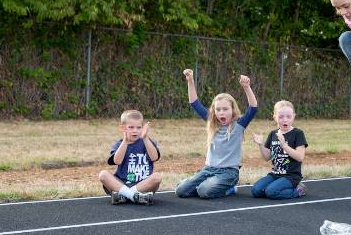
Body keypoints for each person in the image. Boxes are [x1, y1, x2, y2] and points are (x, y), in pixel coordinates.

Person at [175, 70, 258, 199]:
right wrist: (190, 81)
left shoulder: (239, 124)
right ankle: (204, 183)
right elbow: (194, 103)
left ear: (232, 110)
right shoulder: (212, 123)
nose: (221, 113)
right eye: (218, 110)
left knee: (203, 191)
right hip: (209, 169)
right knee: (181, 191)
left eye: (225, 109)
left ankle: (229, 188)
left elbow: (253, 108)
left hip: (229, 172)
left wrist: (246, 87)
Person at [98, 110, 161, 205]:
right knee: (103, 175)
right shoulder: (119, 144)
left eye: (139, 127)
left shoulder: (147, 142)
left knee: (157, 177)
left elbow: (154, 158)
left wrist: (145, 138)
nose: (135, 130)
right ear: (123, 128)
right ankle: (134, 196)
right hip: (121, 185)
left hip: (143, 185)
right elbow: (117, 161)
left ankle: (125, 196)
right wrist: (125, 142)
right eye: (131, 127)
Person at [251, 100, 308, 200]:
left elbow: (300, 157)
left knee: (271, 192)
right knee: (256, 190)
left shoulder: (298, 133)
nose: (285, 120)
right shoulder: (273, 134)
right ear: (275, 117)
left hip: (291, 176)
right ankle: (275, 189)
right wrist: (260, 145)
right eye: (281, 117)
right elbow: (267, 157)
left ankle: (298, 190)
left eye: (288, 116)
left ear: (293, 116)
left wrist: (284, 145)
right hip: (275, 174)